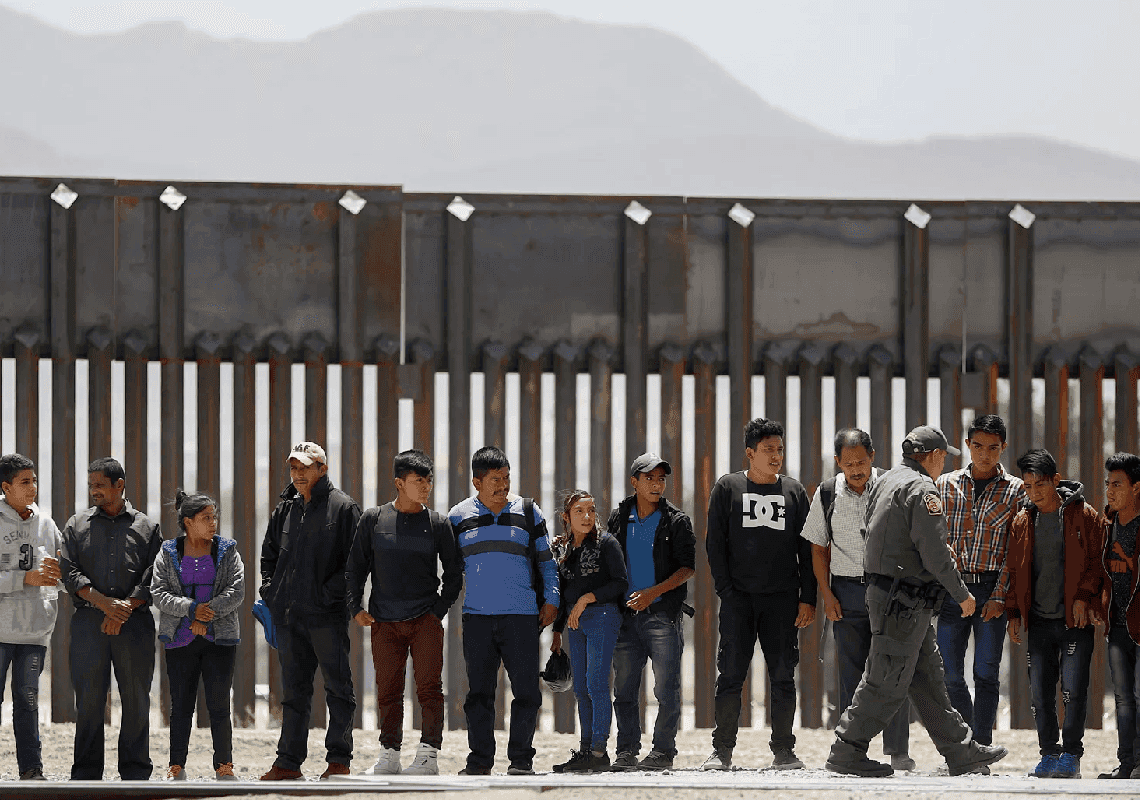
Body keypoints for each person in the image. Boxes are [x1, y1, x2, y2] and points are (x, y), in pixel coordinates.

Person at [825, 425, 1008, 777]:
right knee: (885, 679)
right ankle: (846, 749)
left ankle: (961, 751)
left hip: (893, 596)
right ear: (934, 455)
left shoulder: (888, 480)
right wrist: (962, 595)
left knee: (928, 679)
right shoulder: (922, 488)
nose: (944, 464)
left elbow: (869, 530)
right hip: (904, 600)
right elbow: (936, 553)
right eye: (943, 457)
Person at [704, 418, 816, 771]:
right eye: (768, 450)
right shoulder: (728, 487)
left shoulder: (794, 492)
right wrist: (726, 590)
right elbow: (714, 544)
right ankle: (721, 751)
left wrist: (808, 598)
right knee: (730, 676)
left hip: (782, 601)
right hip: (739, 600)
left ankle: (784, 751)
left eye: (779, 449)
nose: (776, 456)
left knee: (783, 677)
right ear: (750, 453)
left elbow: (807, 549)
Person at [801, 429, 914, 772]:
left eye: (861, 462)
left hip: (889, 590)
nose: (855, 470)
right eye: (848, 464)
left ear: (872, 457)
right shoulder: (826, 493)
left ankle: (898, 750)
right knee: (850, 677)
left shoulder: (893, 488)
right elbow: (818, 548)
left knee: (893, 671)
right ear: (838, 462)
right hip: (846, 592)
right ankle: (851, 750)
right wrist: (827, 595)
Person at [346, 450, 463, 777]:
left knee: (429, 689)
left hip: (425, 620)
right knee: (388, 690)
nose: (426, 487)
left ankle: (428, 756)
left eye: (429, 481)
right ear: (399, 483)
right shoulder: (373, 519)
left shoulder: (438, 523)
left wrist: (437, 611)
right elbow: (355, 568)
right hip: (383, 621)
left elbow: (454, 573)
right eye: (418, 481)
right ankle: (389, 755)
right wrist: (355, 607)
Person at [448, 446, 560, 776]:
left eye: (507, 478)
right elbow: (449, 570)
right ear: (477, 482)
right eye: (495, 479)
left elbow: (547, 563)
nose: (504, 485)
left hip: (522, 618)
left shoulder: (528, 512)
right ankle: (479, 762)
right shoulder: (457, 517)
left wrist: (552, 600)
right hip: (477, 618)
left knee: (527, 692)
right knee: (479, 695)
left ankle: (521, 761)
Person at [259, 442, 361, 781]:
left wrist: (326, 596)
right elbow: (269, 555)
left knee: (338, 689)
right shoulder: (285, 508)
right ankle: (288, 763)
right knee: (294, 694)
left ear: (323, 469)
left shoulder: (343, 508)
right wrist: (270, 592)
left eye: (305, 467)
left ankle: (339, 761)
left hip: (326, 616)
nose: (298, 473)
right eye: (294, 467)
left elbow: (355, 564)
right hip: (289, 617)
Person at [1003, 449, 1105, 780]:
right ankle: (1048, 753)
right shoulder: (1022, 521)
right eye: (1028, 486)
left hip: (1075, 621)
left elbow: (1097, 561)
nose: (1034, 493)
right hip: (1039, 620)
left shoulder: (1084, 515)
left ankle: (1071, 755)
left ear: (1055, 481)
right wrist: (1014, 612)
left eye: (1040, 485)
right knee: (1040, 694)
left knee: (1073, 691)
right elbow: (1014, 570)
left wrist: (1085, 597)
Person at [60, 457, 162, 781]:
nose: (94, 491)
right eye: (91, 485)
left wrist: (124, 608)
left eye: (100, 485)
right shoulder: (76, 525)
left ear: (120, 485)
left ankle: (135, 776)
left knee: (136, 701)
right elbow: (68, 572)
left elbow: (155, 575)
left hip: (135, 625)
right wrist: (105, 604)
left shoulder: (147, 528)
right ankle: (86, 777)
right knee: (89, 703)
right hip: (89, 625)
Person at [935, 414, 1026, 746]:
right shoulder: (945, 485)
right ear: (967, 445)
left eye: (992, 448)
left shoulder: (1016, 491)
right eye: (978, 446)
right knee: (949, 674)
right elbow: (935, 540)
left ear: (1003, 447)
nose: (984, 454)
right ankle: (966, 745)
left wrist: (1000, 596)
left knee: (986, 673)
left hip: (991, 588)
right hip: (952, 589)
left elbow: (1015, 552)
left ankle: (982, 744)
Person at [607, 453, 695, 772]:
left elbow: (687, 568)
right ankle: (626, 751)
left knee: (666, 689)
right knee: (624, 690)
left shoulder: (677, 521)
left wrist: (652, 594)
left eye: (661, 479)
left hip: (662, 616)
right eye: (649, 478)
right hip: (625, 619)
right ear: (634, 482)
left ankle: (662, 752)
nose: (657, 484)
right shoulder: (619, 517)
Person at [151, 491, 245, 781]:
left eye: (214, 517)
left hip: (219, 639)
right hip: (180, 639)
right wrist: (191, 610)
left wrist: (206, 615)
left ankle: (224, 765)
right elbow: (159, 593)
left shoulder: (227, 551)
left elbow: (236, 590)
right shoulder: (168, 552)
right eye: (206, 518)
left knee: (219, 704)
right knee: (180, 706)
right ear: (188, 522)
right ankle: (176, 765)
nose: (213, 523)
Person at [550, 490, 628, 773]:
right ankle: (585, 750)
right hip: (575, 622)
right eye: (579, 511)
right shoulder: (563, 549)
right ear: (566, 517)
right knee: (581, 688)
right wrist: (557, 631)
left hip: (602, 616)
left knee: (596, 684)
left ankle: (599, 751)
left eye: (592, 511)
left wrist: (587, 599)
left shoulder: (607, 543)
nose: (587, 517)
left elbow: (620, 582)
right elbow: (562, 592)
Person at [0, 453, 62, 781]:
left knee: (27, 700)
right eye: (25, 482)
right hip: (0, 631)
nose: (33, 487)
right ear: (5, 487)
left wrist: (58, 574)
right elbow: (28, 576)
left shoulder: (46, 523)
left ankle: (32, 770)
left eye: (34, 480)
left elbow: (63, 573)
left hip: (34, 632)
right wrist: (24, 578)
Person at [1099, 452, 1140, 780]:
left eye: (1117, 484)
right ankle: (1126, 763)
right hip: (1116, 626)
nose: (1110, 491)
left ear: (1136, 487)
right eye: (1108, 484)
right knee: (1123, 699)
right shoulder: (1106, 524)